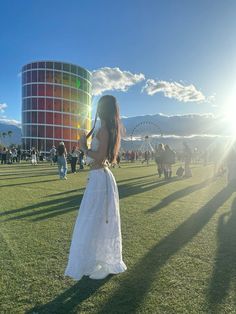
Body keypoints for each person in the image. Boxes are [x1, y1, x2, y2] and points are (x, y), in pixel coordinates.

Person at [65, 95, 127, 280]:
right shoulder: (105, 128)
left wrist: (84, 147)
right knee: (96, 219)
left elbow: (99, 157)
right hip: (98, 177)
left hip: (101, 177)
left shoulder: (104, 130)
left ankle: (102, 261)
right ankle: (98, 260)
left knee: (94, 219)